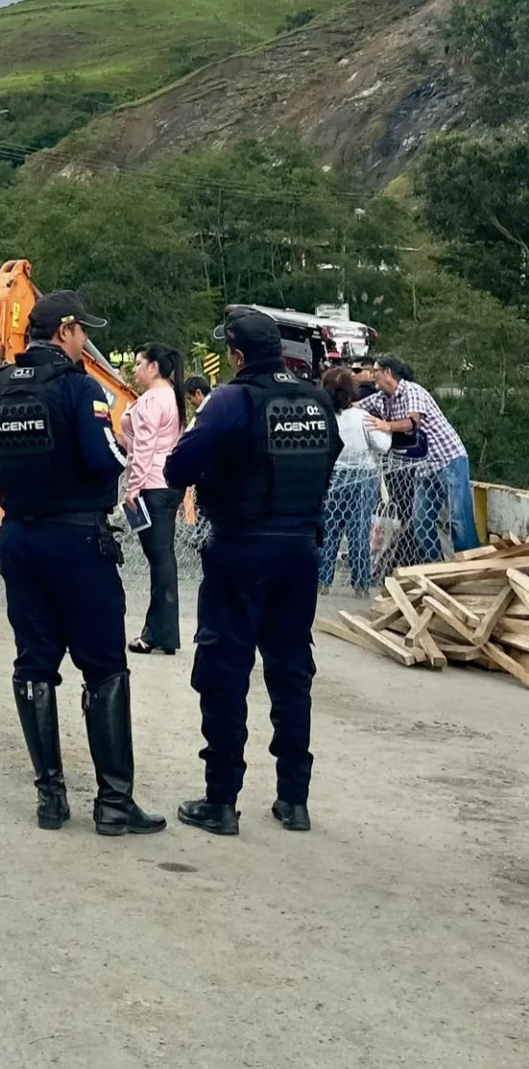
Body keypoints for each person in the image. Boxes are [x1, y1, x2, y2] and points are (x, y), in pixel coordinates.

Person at [0, 292, 165, 837]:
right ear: (66, 331)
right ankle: (113, 804)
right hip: (79, 541)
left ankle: (50, 799)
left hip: (21, 544)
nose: (87, 344)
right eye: (83, 334)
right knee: (103, 666)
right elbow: (104, 459)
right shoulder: (82, 388)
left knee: (33, 664)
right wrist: (125, 449)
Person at [165, 309, 341, 836]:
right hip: (299, 551)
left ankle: (221, 801)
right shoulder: (317, 401)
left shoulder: (231, 400)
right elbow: (327, 461)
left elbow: (179, 467)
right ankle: (294, 799)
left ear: (237, 356)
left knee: (224, 671)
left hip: (241, 549)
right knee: (291, 672)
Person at [360, 355, 479, 558]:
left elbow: (412, 422)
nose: (373, 377)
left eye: (375, 372)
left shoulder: (412, 391)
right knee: (421, 521)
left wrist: (387, 426)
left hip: (448, 460)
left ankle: (469, 565)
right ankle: (437, 567)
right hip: (424, 468)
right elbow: (356, 408)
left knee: (459, 519)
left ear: (388, 373)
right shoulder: (381, 399)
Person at [123, 344, 187, 655]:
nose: (135, 370)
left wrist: (133, 487)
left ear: (153, 367)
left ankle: (159, 632)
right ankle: (162, 632)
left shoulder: (151, 400)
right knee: (163, 559)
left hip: (152, 484)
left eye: (138, 364)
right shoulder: (172, 396)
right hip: (168, 482)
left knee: (160, 559)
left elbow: (145, 448)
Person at [318, 366, 390, 594]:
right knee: (359, 531)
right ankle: (361, 585)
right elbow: (382, 445)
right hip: (362, 476)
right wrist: (387, 429)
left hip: (333, 476)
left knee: (329, 530)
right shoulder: (362, 417)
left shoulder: (324, 417)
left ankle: (323, 582)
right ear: (351, 392)